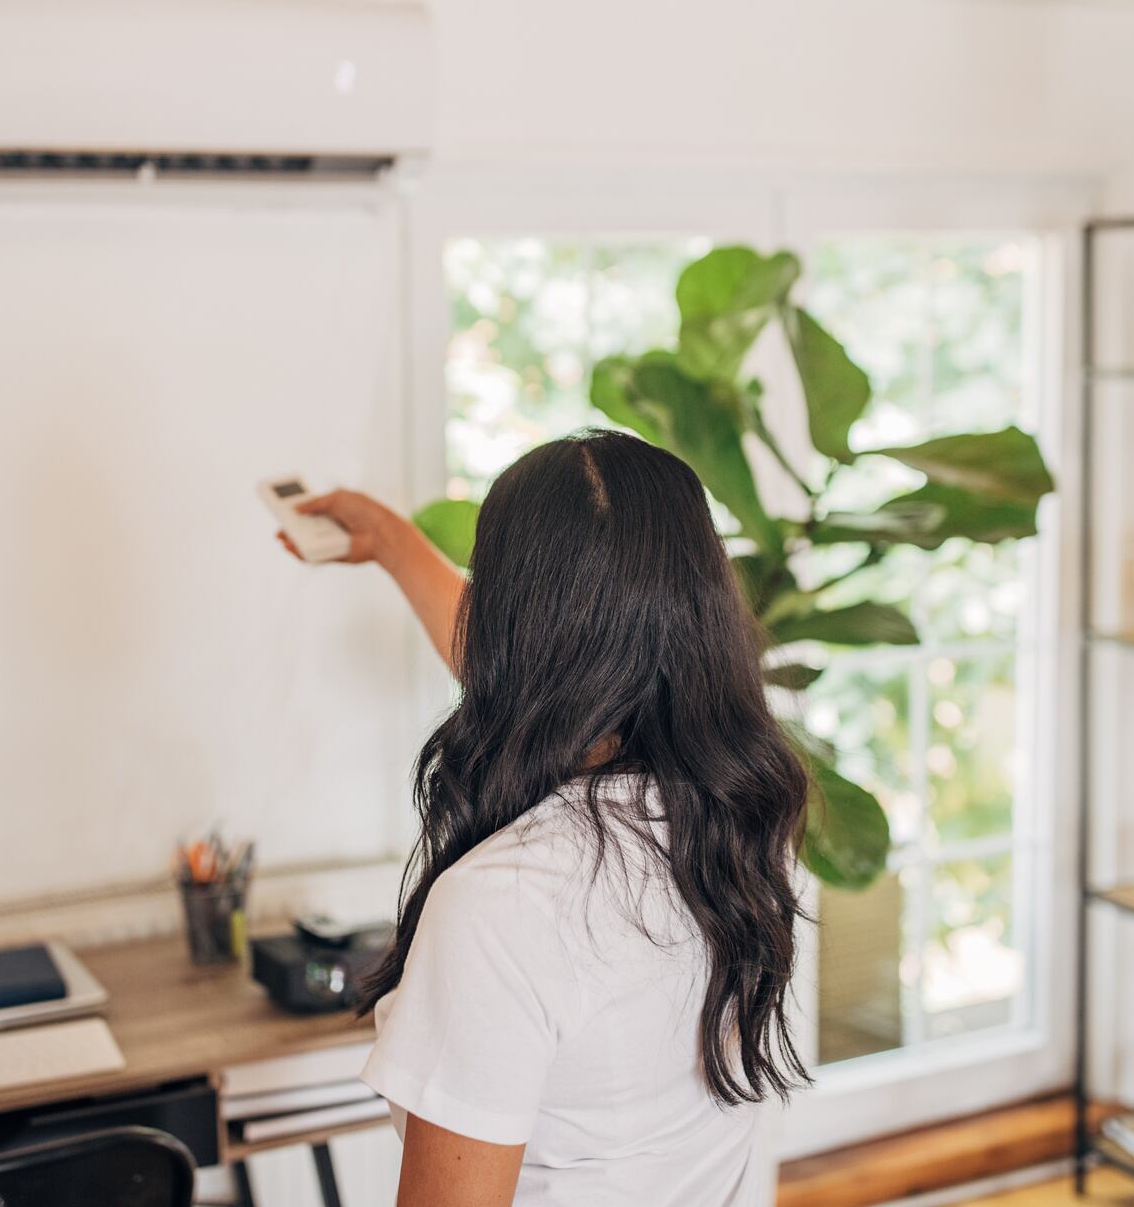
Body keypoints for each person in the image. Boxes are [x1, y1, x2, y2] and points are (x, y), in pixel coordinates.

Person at [277, 430, 810, 1207]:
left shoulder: (502, 906)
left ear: (505, 625)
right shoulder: (737, 824)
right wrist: (393, 542)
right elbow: (570, 670)